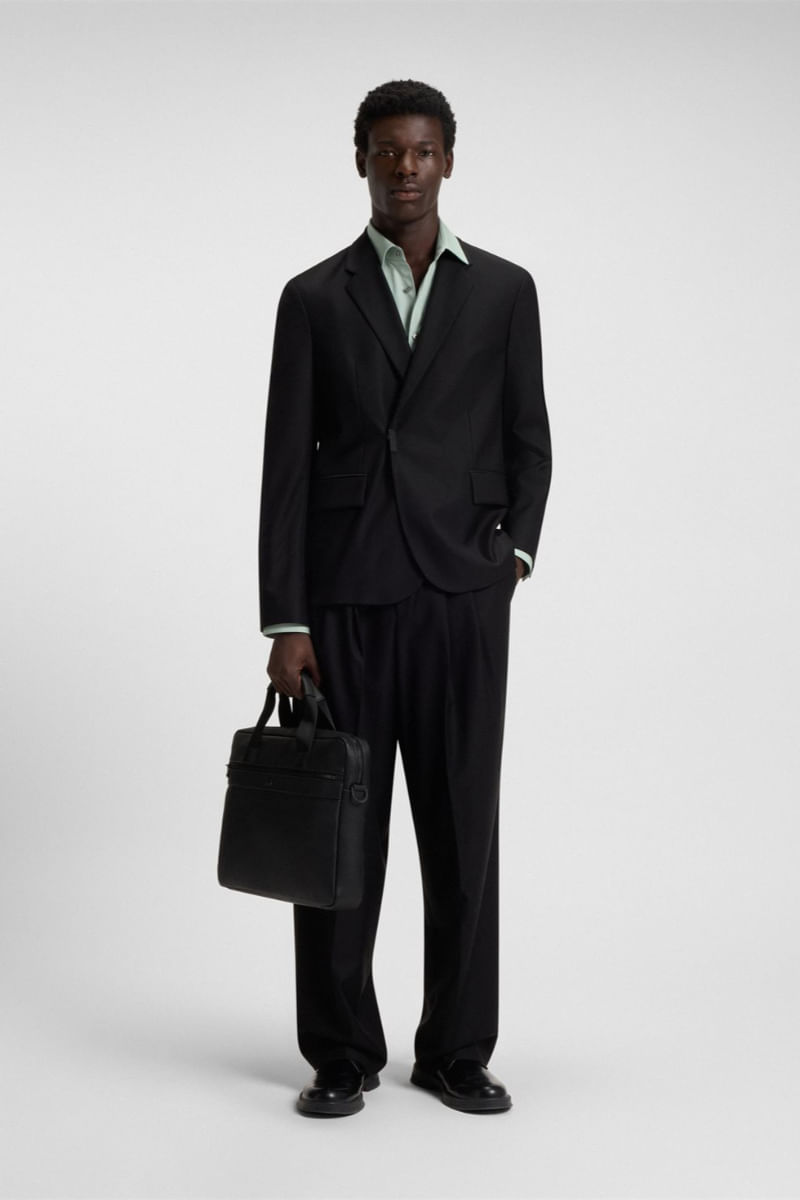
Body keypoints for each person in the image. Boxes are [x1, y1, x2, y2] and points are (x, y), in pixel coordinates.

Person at [258, 79, 552, 1117]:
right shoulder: (313, 297)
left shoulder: (504, 291)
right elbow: (286, 469)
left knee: (464, 829)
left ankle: (455, 1050)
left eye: (422, 151)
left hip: (463, 600)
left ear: (447, 161)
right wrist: (287, 620)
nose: (405, 168)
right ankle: (341, 1052)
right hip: (345, 603)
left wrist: (511, 557)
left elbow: (529, 440)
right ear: (361, 162)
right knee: (342, 834)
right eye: (387, 151)